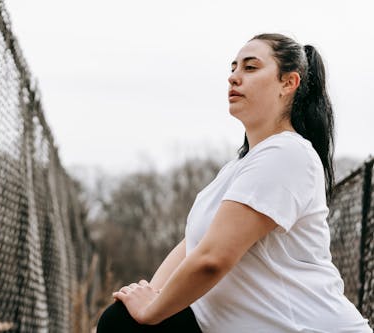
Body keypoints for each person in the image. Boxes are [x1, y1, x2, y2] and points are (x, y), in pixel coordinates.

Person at [96, 33, 373, 332]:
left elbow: (212, 259)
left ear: (288, 83)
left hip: (310, 327)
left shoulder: (287, 153)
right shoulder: (237, 168)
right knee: (122, 320)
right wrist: (150, 296)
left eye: (250, 68)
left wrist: (150, 313)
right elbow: (193, 246)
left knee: (124, 324)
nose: (234, 78)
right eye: (233, 68)